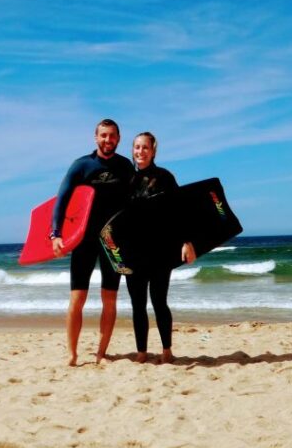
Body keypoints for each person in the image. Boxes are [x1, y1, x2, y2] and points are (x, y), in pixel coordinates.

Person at [51, 119, 135, 366]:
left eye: (112, 136)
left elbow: (135, 203)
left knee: (109, 299)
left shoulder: (125, 166)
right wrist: (55, 234)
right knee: (77, 298)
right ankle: (72, 354)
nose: (107, 140)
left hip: (113, 241)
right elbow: (62, 200)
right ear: (95, 137)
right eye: (103, 135)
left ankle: (101, 353)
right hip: (84, 240)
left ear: (118, 139)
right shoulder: (81, 166)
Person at [126, 132, 195, 364]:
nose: (140, 152)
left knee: (158, 301)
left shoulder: (165, 177)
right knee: (137, 305)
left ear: (153, 150)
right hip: (133, 252)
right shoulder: (128, 180)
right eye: (137, 147)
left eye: (145, 147)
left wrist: (187, 242)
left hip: (160, 251)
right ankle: (142, 352)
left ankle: (166, 350)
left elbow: (181, 208)